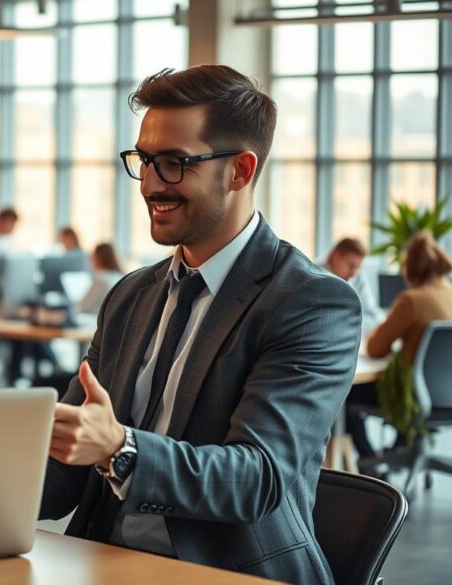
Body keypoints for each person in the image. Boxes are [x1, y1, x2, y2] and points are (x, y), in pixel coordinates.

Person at [39, 65, 361, 583]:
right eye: (144, 161)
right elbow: (69, 466)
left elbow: (256, 479)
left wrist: (121, 449)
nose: (148, 184)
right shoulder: (130, 296)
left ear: (240, 171)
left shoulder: (312, 303)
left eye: (173, 164)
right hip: (108, 563)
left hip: (227, 571)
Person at [351, 232, 452, 458]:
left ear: (410, 268)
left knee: (347, 395)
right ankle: (399, 448)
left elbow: (376, 349)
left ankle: (369, 464)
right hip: (446, 394)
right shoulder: (449, 292)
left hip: (416, 396)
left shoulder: (412, 300)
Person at [322, 237, 384, 333]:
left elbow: (372, 315)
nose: (354, 273)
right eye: (351, 266)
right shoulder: (314, 277)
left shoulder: (357, 277)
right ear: (336, 257)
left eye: (358, 267)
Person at [76, 242, 124, 315]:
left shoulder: (101, 280)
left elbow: (82, 306)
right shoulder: (120, 276)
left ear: (97, 258)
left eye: (93, 257)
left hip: (95, 321)